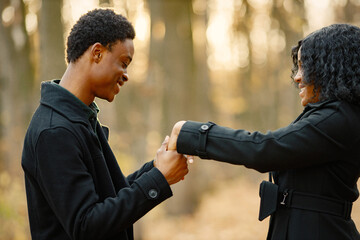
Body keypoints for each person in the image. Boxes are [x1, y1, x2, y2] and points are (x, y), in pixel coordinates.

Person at [168, 23, 360, 240]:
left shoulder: (339, 118)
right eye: (298, 67)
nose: (297, 77)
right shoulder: (334, 116)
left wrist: (192, 133)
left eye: (305, 66)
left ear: (331, 67)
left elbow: (264, 149)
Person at [21, 9, 189, 240]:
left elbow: (109, 195)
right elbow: (87, 226)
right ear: (97, 52)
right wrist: (159, 179)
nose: (126, 75)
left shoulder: (79, 118)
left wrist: (157, 167)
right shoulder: (55, 131)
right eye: (123, 62)